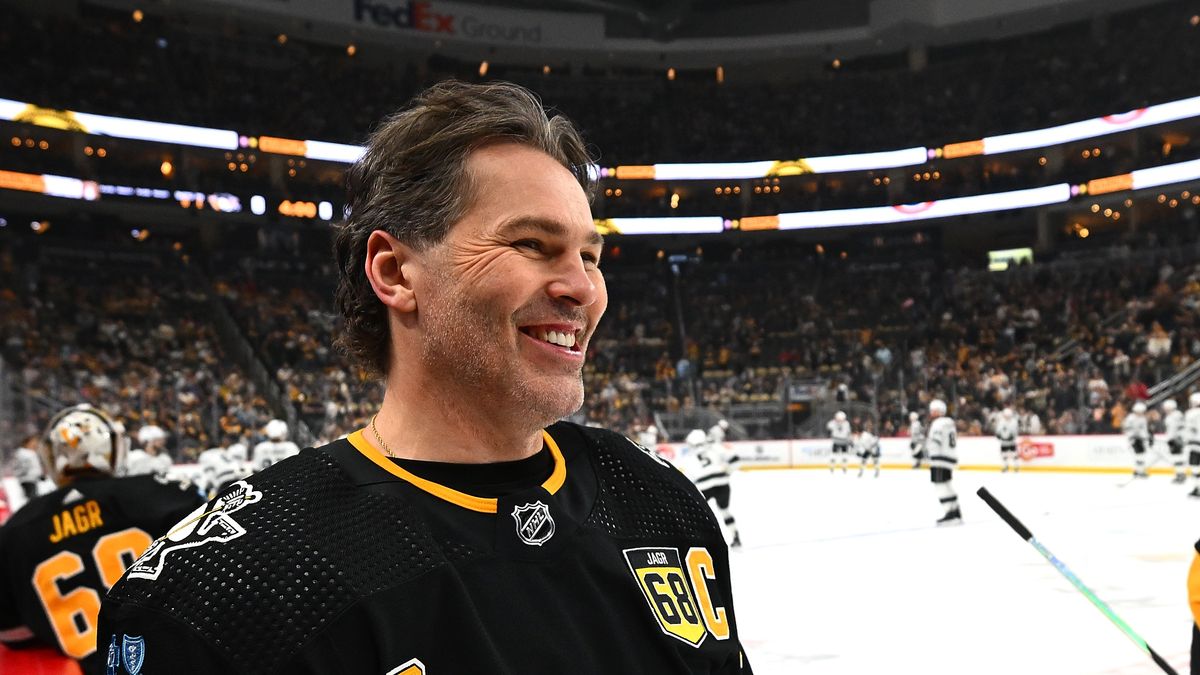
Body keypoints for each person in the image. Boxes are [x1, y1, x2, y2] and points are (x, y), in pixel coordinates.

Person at [98, 80, 751, 673]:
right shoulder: (236, 583)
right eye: (533, 244)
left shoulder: (661, 505)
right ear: (395, 272)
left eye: (590, 254)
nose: (584, 288)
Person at [0, 404, 202, 671]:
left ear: (51, 456)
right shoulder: (164, 493)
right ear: (114, 449)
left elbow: (12, 633)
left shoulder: (16, 530)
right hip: (184, 659)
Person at [680, 429, 742, 549]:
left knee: (696, 515)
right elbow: (735, 460)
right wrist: (727, 473)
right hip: (722, 483)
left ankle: (699, 541)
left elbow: (688, 478)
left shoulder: (688, 454)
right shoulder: (714, 446)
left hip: (703, 486)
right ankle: (736, 537)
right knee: (724, 511)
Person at [927, 399, 961, 526]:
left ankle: (950, 513)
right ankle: (956, 511)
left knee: (940, 485)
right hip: (949, 457)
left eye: (933, 410)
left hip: (939, 458)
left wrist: (928, 454)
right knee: (946, 484)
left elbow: (936, 440)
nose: (931, 413)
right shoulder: (949, 423)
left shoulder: (938, 424)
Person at [9, 434, 43, 503]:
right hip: (27, 480)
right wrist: (25, 473)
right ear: (28, 442)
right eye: (33, 442)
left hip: (32, 479)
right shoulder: (22, 453)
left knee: (35, 498)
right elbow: (20, 467)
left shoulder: (29, 452)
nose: (35, 444)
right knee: (33, 499)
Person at [1123, 401, 1151, 479]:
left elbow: (1144, 430)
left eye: (1142, 412)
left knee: (1141, 455)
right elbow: (1127, 429)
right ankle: (1139, 471)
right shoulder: (1130, 418)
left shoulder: (1143, 418)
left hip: (1141, 439)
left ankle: (1138, 470)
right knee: (1139, 455)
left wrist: (1146, 437)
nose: (1140, 413)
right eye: (1139, 412)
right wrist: (1132, 436)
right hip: (1134, 440)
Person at [1162, 399, 1186, 484]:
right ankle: (1180, 474)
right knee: (1178, 458)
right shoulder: (1177, 414)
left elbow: (1172, 430)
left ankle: (1180, 475)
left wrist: (1170, 440)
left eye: (1166, 408)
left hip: (1175, 440)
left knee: (1177, 459)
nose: (1164, 409)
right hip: (1179, 439)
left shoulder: (1172, 416)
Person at [995, 407, 1020, 473]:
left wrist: (1013, 436)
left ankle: (1016, 466)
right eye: (1006, 415)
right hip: (1003, 441)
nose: (1007, 417)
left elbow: (1015, 431)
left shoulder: (1014, 421)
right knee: (1003, 454)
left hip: (1011, 441)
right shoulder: (1001, 421)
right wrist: (998, 435)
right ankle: (1005, 466)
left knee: (1014, 454)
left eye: (1008, 415)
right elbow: (998, 430)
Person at [1186, 393, 1200, 498]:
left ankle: (1197, 488)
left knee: (1195, 468)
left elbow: (1188, 430)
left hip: (1195, 444)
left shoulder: (1190, 413)